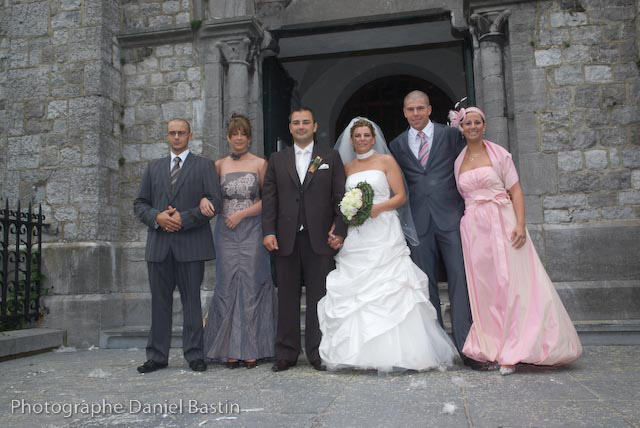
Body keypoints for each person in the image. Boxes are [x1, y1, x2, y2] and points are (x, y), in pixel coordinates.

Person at [318, 118, 459, 371]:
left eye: (366, 135)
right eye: (357, 136)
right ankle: (357, 354)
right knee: (358, 291)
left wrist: (378, 208)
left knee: (390, 287)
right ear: (351, 140)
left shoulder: (386, 161)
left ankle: (400, 353)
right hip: (358, 235)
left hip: (383, 230)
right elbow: (340, 201)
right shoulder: (347, 167)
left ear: (374, 138)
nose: (362, 139)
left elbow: (401, 196)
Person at [451, 106, 583, 375]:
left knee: (513, 283)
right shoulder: (459, 161)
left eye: (477, 122)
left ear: (484, 126)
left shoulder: (500, 155)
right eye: (468, 123)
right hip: (475, 229)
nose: (473, 127)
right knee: (487, 288)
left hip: (503, 221)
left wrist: (520, 224)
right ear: (461, 128)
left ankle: (517, 348)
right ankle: (494, 345)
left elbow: (516, 191)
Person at [388, 91, 483, 369]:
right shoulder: (397, 145)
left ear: (429, 109)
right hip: (418, 222)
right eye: (410, 109)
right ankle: (438, 348)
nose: (416, 113)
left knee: (459, 280)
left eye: (420, 108)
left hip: (450, 217)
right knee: (425, 284)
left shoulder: (451, 136)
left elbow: (469, 164)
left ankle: (466, 347)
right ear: (404, 112)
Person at [262, 107, 347, 372]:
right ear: (290, 127)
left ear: (314, 126)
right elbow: (270, 199)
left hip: (319, 238)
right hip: (285, 238)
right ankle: (286, 353)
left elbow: (340, 197)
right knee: (286, 298)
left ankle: (317, 351)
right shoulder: (277, 159)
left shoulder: (330, 157)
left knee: (318, 297)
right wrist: (268, 231)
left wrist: (340, 230)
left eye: (305, 122)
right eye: (296, 122)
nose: (301, 126)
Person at [133, 118, 222, 373]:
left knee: (191, 302)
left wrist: (184, 218)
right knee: (159, 303)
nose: (176, 137)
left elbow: (215, 202)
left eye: (181, 133)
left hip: (191, 245)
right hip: (159, 245)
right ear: (167, 136)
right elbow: (140, 203)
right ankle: (157, 356)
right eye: (172, 133)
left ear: (190, 135)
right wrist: (157, 217)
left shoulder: (204, 166)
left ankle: (195, 354)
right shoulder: (153, 168)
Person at [199, 113, 275, 369]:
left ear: (249, 138)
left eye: (243, 134)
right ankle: (229, 349)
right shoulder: (218, 165)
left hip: (252, 229)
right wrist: (203, 200)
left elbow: (268, 201)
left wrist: (242, 214)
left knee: (251, 285)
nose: (239, 138)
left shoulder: (260, 164)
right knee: (227, 285)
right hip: (225, 234)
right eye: (234, 134)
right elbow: (210, 196)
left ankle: (252, 348)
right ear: (228, 138)